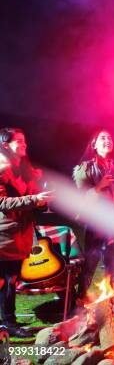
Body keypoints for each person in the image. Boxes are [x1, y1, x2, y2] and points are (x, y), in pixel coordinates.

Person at [0, 129, 52, 338]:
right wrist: (34, 199)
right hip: (3, 237)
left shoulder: (24, 170)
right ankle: (9, 324)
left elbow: (31, 201)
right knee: (5, 282)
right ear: (5, 145)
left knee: (10, 282)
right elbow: (2, 202)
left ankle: (9, 323)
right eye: (19, 141)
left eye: (25, 141)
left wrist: (41, 202)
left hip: (19, 236)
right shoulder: (1, 170)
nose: (24, 145)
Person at [73, 129, 114, 299]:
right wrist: (99, 187)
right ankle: (80, 299)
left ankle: (111, 299)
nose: (107, 140)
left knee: (112, 261)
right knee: (91, 261)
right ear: (94, 145)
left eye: (110, 137)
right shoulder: (85, 167)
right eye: (103, 138)